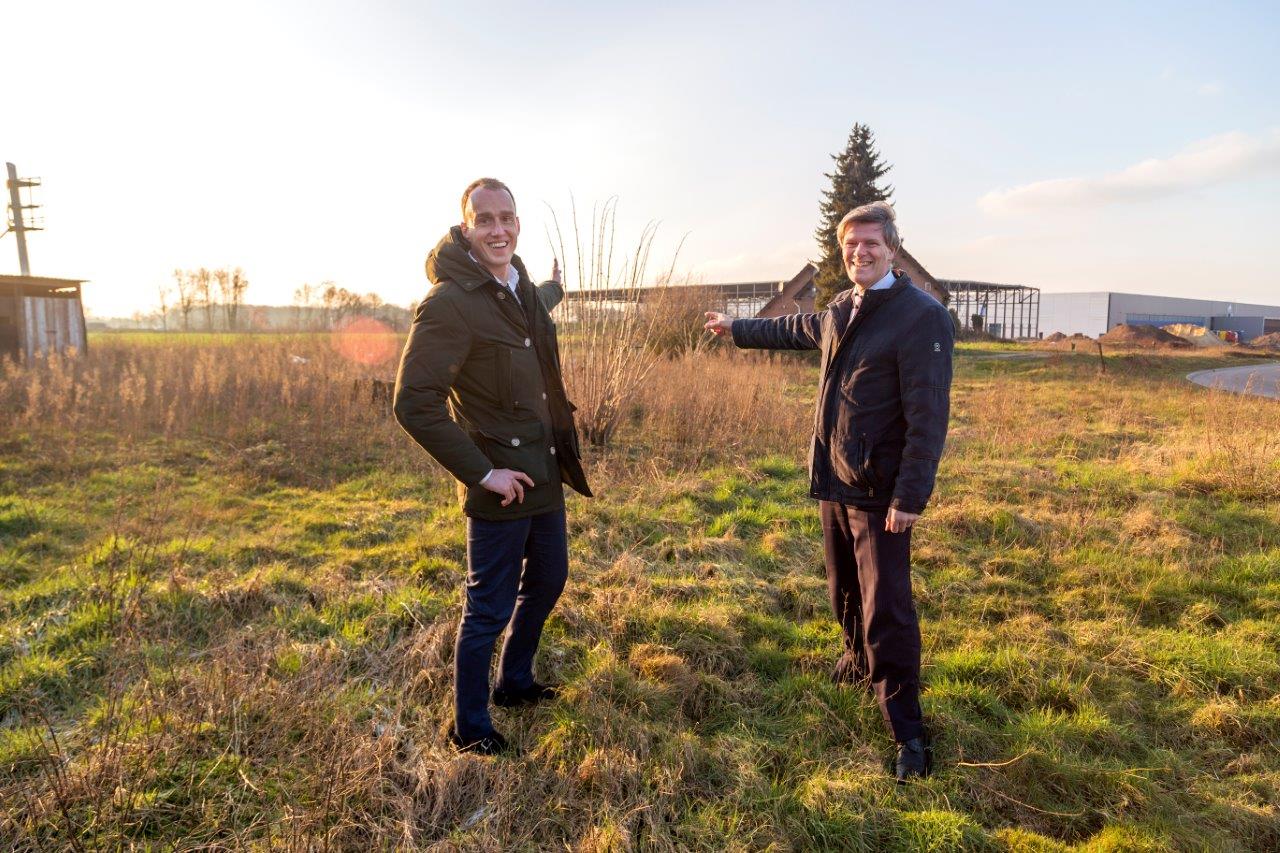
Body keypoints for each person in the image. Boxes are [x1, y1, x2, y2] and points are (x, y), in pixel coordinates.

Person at [704, 201, 953, 782]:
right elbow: (795, 327)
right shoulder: (843, 308)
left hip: (880, 492)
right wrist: (736, 328)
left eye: (870, 244)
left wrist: (910, 496)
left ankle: (907, 732)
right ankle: (855, 659)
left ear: (892, 248)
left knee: (887, 609)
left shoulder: (921, 318)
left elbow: (928, 416)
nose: (859, 253)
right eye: (850, 245)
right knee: (843, 588)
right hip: (834, 480)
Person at [394, 177, 591, 755]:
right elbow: (413, 404)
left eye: (507, 217)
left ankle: (516, 682)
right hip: (501, 485)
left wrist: (557, 285)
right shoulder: (449, 303)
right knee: (488, 608)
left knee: (549, 581)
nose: (498, 228)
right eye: (486, 220)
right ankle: (470, 726)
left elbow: (533, 310)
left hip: (546, 472)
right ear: (466, 228)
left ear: (517, 223)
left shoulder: (518, 284)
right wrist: (483, 474)